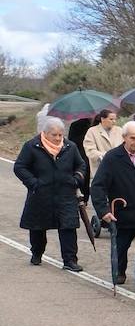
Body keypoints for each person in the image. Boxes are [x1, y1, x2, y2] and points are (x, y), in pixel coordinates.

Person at [90, 120, 135, 294]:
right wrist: (103, 211)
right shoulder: (112, 157)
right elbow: (98, 186)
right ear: (124, 137)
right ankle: (119, 270)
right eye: (132, 138)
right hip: (123, 212)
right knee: (121, 246)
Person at [14, 116, 85, 271]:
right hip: (41, 194)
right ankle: (37, 253)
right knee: (38, 227)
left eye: (60, 134)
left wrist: (76, 179)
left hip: (66, 193)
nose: (58, 138)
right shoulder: (32, 146)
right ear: (45, 133)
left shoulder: (70, 147)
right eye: (54, 135)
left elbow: (81, 165)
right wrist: (33, 183)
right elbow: (20, 167)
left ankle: (70, 260)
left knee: (68, 227)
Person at [82, 108, 120, 183]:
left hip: (118, 172)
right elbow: (90, 151)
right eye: (111, 119)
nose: (114, 122)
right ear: (102, 119)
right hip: (99, 172)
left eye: (115, 119)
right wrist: (106, 155)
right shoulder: (92, 131)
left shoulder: (119, 130)